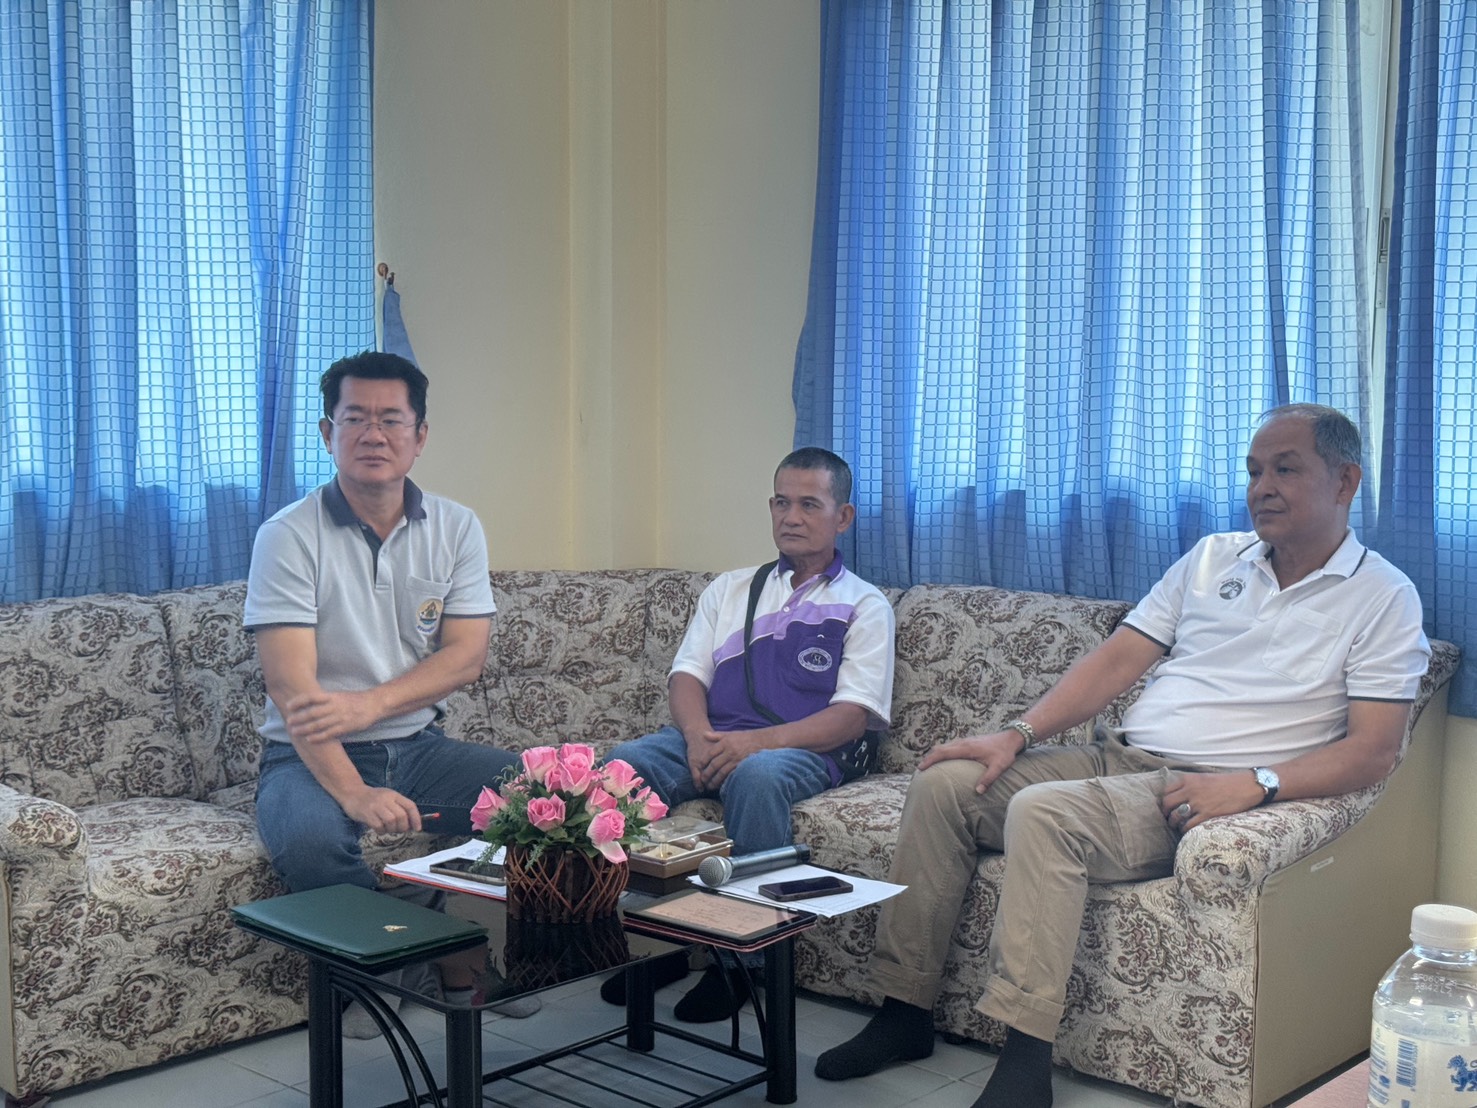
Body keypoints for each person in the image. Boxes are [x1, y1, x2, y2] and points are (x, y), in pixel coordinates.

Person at [814, 404, 1430, 1107]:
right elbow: (1116, 660)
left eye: (1284, 470)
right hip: (1119, 758)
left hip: (1196, 791)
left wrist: (1256, 783)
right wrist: (1016, 733)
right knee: (947, 783)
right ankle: (903, 1011)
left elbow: (1374, 751)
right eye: (1254, 471)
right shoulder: (1213, 558)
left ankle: (1023, 1064)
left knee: (1044, 813)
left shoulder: (1383, 597)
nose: (1261, 487)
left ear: (1345, 481)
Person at [246, 351, 526, 1032]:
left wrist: (370, 704)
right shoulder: (286, 536)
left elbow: (465, 656)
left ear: (419, 435)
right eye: (356, 419)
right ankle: (431, 960)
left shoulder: (457, 526)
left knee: (543, 798)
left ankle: (509, 955)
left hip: (418, 748)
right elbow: (292, 688)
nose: (374, 434)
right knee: (308, 842)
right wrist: (354, 793)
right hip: (305, 757)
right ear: (327, 432)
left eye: (392, 420)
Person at [604, 447, 896, 1021]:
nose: (792, 517)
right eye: (782, 503)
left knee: (756, 778)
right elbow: (687, 676)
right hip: (714, 734)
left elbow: (851, 718)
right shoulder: (731, 589)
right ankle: (656, 942)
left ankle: (742, 962)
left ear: (843, 517)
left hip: (804, 749)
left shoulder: (864, 604)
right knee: (624, 766)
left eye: (809, 505)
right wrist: (697, 736)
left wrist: (752, 744)